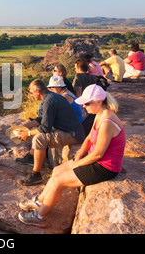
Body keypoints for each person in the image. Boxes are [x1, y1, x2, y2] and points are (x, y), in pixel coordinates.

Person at [18, 84, 125, 227]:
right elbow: (88, 138)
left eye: (87, 103)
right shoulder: (100, 114)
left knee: (58, 182)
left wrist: (77, 164)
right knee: (56, 171)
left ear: (99, 101)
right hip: (97, 161)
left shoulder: (107, 122)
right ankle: (39, 202)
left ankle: (39, 216)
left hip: (105, 167)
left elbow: (98, 154)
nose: (84, 107)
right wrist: (79, 154)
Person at [15, 79, 85, 186]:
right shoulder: (49, 97)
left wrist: (28, 133)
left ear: (37, 91)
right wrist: (23, 127)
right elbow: (40, 119)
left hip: (72, 134)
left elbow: (45, 127)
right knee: (37, 132)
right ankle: (31, 157)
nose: (31, 95)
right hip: (66, 129)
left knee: (39, 138)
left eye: (31, 92)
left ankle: (36, 175)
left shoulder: (49, 100)